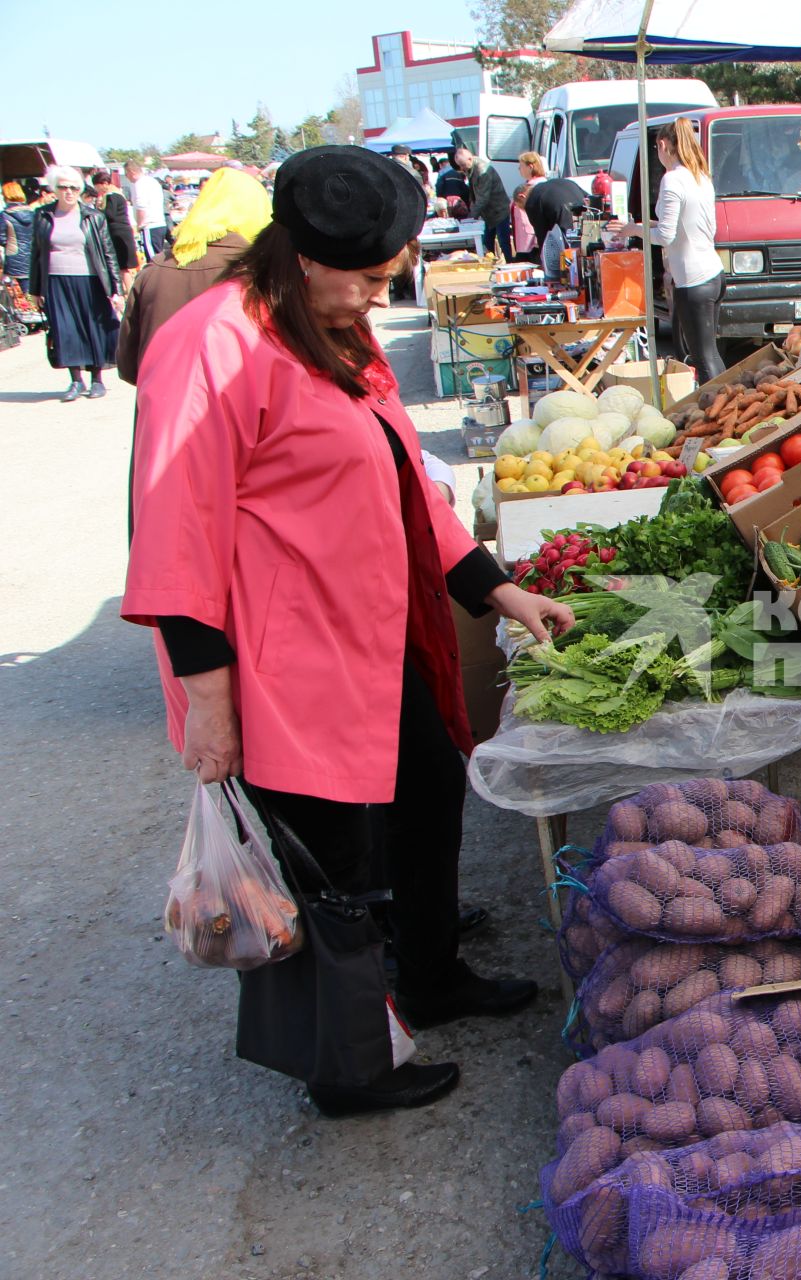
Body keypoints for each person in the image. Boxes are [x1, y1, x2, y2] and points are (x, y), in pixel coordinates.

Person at [123, 145, 567, 1118]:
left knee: (428, 788)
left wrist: (500, 591)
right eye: (367, 276)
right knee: (335, 867)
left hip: (376, 635)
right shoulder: (213, 346)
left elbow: (409, 481)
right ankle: (352, 1065)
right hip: (283, 665)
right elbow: (173, 536)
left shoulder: (339, 335)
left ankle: (434, 969)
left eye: (386, 277)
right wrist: (208, 701)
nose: (377, 296)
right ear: (302, 253)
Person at [116, 167, 272, 384]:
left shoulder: (155, 270)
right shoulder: (263, 274)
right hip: (237, 411)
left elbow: (128, 366)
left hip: (162, 410)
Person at [612, 119, 723, 382]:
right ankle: (726, 401)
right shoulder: (700, 176)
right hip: (713, 272)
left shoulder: (672, 179)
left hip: (693, 279)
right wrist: (643, 224)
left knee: (702, 357)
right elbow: (690, 223)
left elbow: (665, 236)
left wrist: (633, 231)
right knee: (710, 352)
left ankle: (719, 408)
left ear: (662, 145)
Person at [28, 166, 121, 401]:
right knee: (65, 329)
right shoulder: (43, 215)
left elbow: (108, 253)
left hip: (90, 280)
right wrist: (36, 289)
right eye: (63, 187)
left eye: (74, 187)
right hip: (56, 280)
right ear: (54, 189)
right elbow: (36, 253)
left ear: (80, 189)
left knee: (94, 328)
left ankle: (97, 379)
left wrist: (116, 289)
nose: (68, 192)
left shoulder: (93, 216)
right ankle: (76, 380)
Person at [454, 145, 510, 260]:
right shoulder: (472, 168)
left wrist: (470, 218)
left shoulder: (481, 170)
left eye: (463, 165)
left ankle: (510, 264)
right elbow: (474, 193)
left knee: (503, 242)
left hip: (499, 210)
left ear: (470, 159)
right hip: (488, 213)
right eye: (460, 166)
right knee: (486, 243)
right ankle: (490, 265)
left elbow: (482, 198)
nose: (462, 168)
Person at [89, 170, 139, 284]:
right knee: (124, 267)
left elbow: (110, 214)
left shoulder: (111, 196)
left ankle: (129, 292)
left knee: (122, 267)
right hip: (123, 231)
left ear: (105, 184)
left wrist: (99, 209)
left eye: (97, 186)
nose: (96, 189)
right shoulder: (118, 194)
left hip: (118, 233)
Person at [125, 159, 169, 261]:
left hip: (149, 225)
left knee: (153, 261)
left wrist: (139, 226)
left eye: (127, 174)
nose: (127, 177)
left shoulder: (140, 184)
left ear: (132, 172)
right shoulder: (152, 181)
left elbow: (141, 207)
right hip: (160, 223)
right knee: (159, 257)